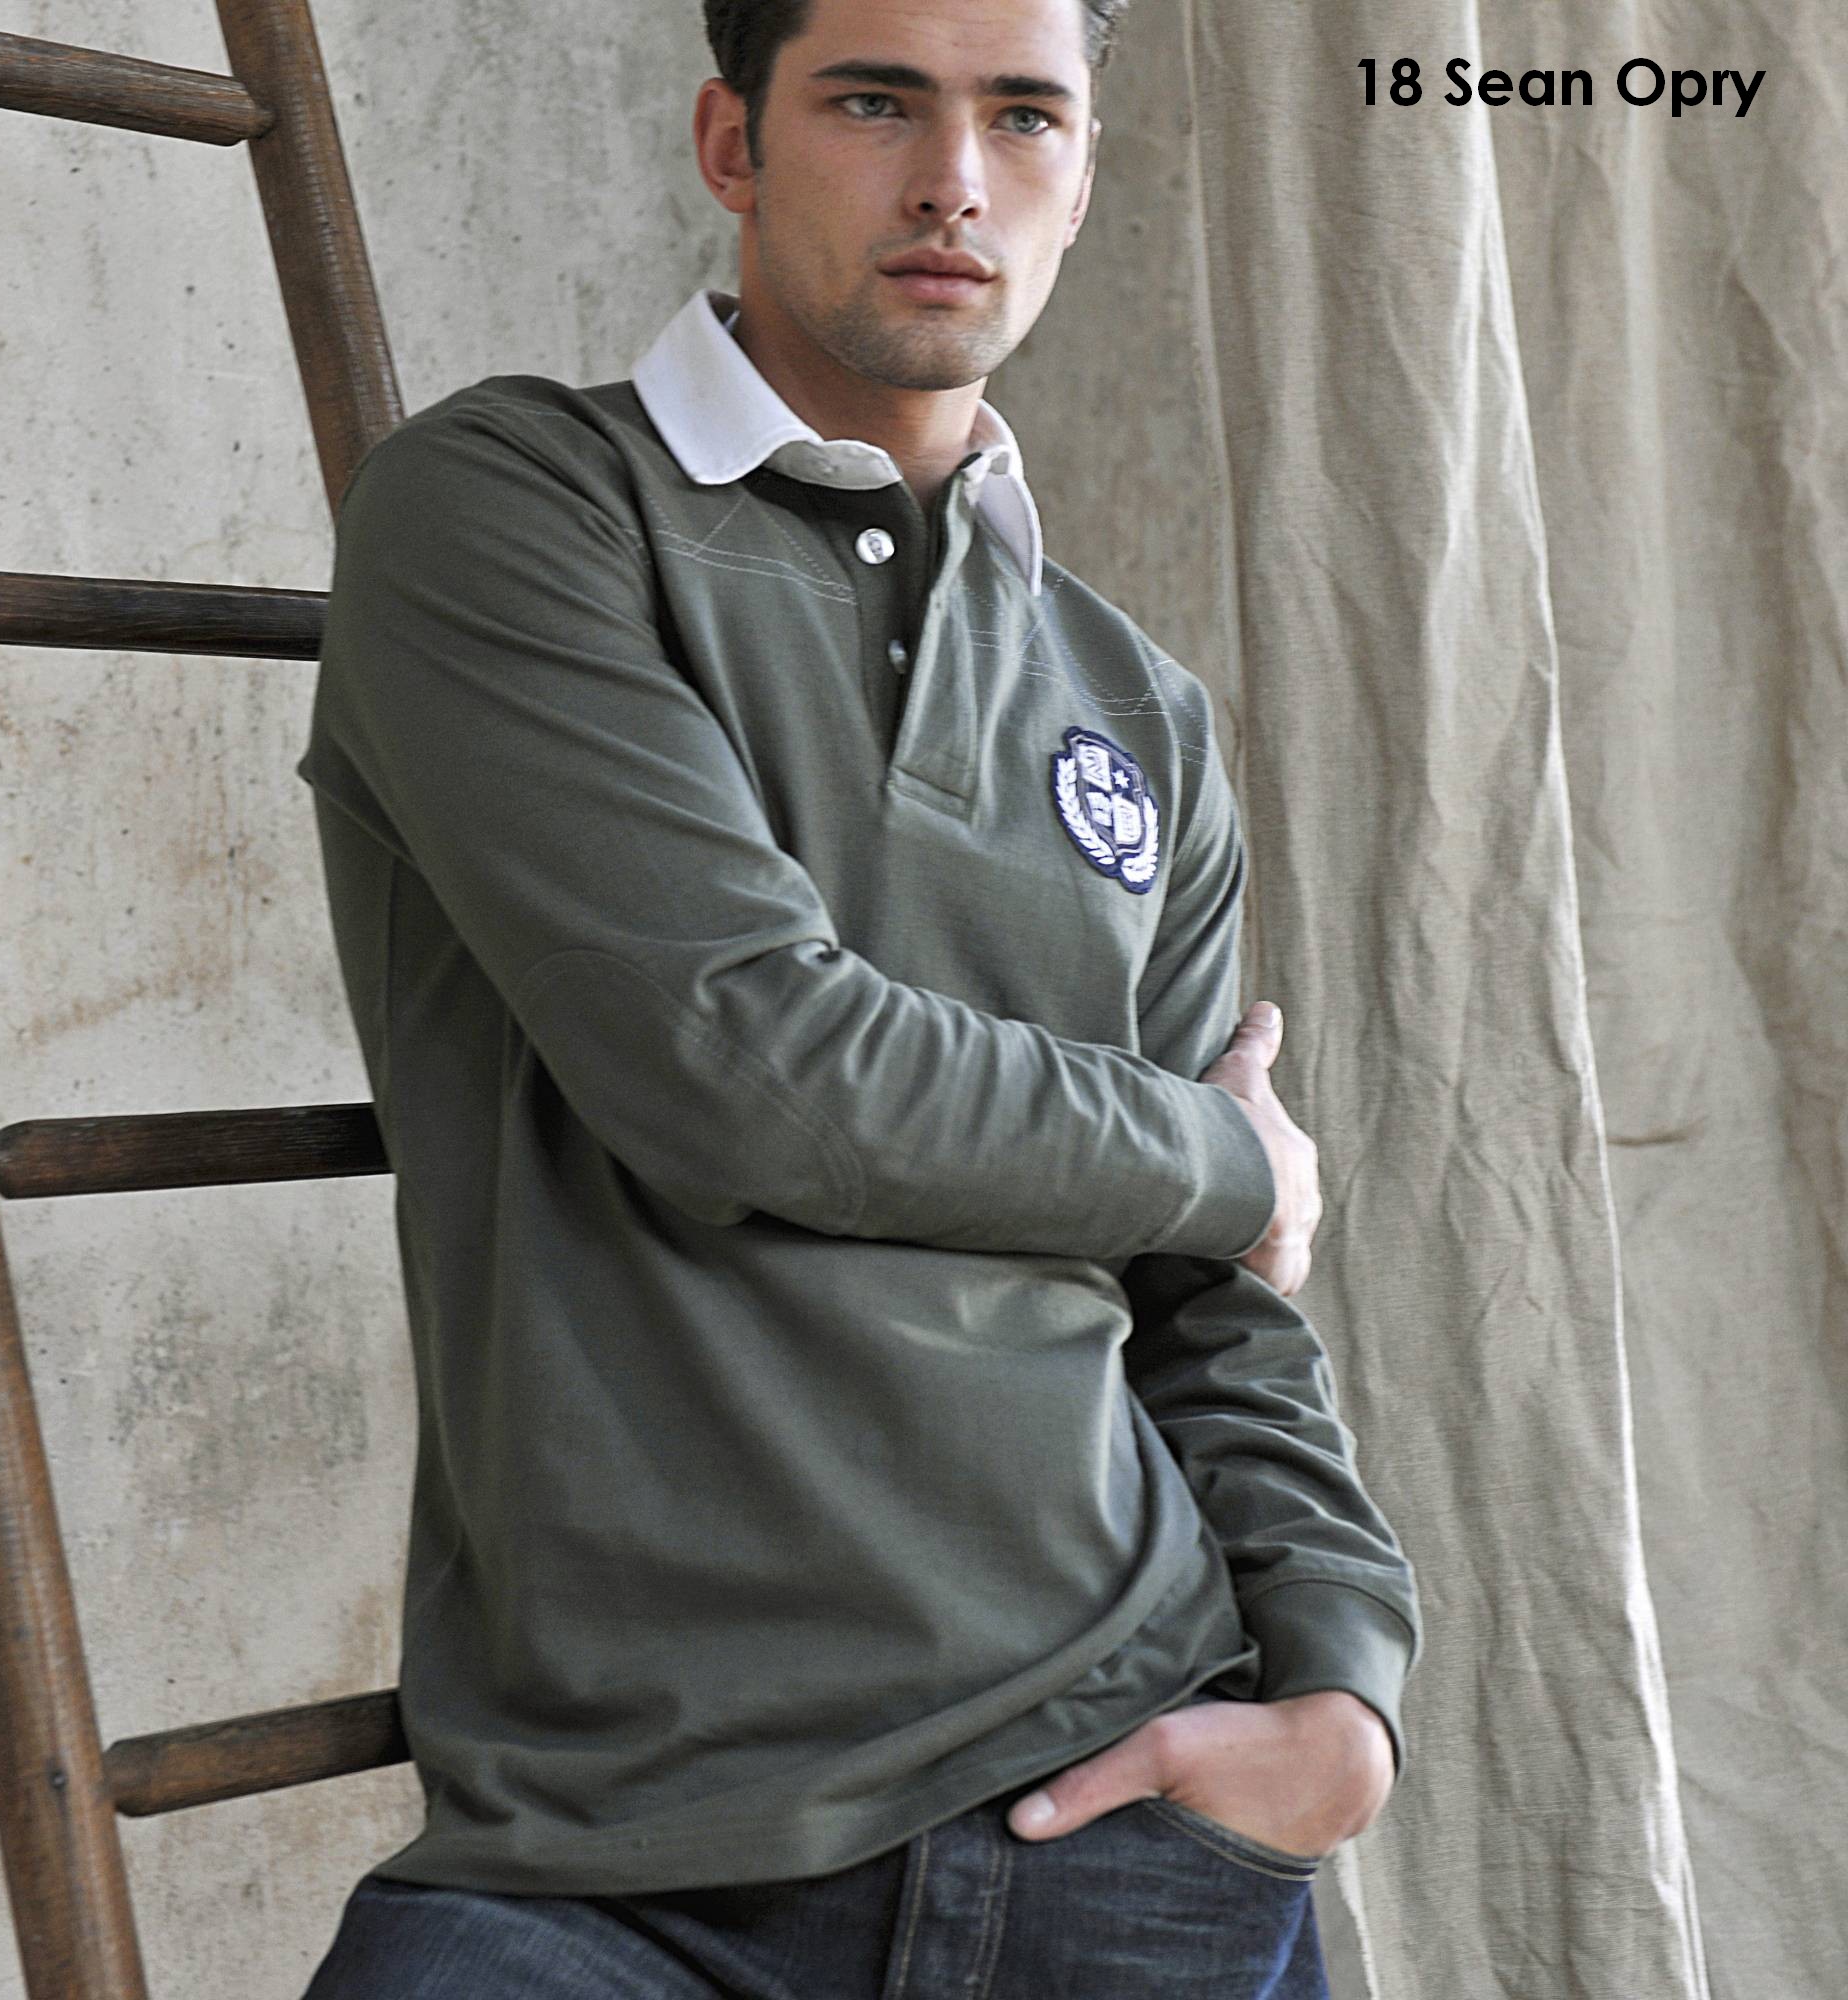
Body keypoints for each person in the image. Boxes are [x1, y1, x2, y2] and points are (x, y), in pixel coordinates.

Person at [295, 0, 1421, 1992]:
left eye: (1025, 118)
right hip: (622, 1854)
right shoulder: (519, 505)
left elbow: (1212, 1310)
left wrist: (1341, 1687)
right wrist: (1220, 1155)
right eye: (876, 101)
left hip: (1127, 1821)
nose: (953, 182)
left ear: (1083, 175)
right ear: (734, 143)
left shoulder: (1136, 707)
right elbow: (743, 1067)